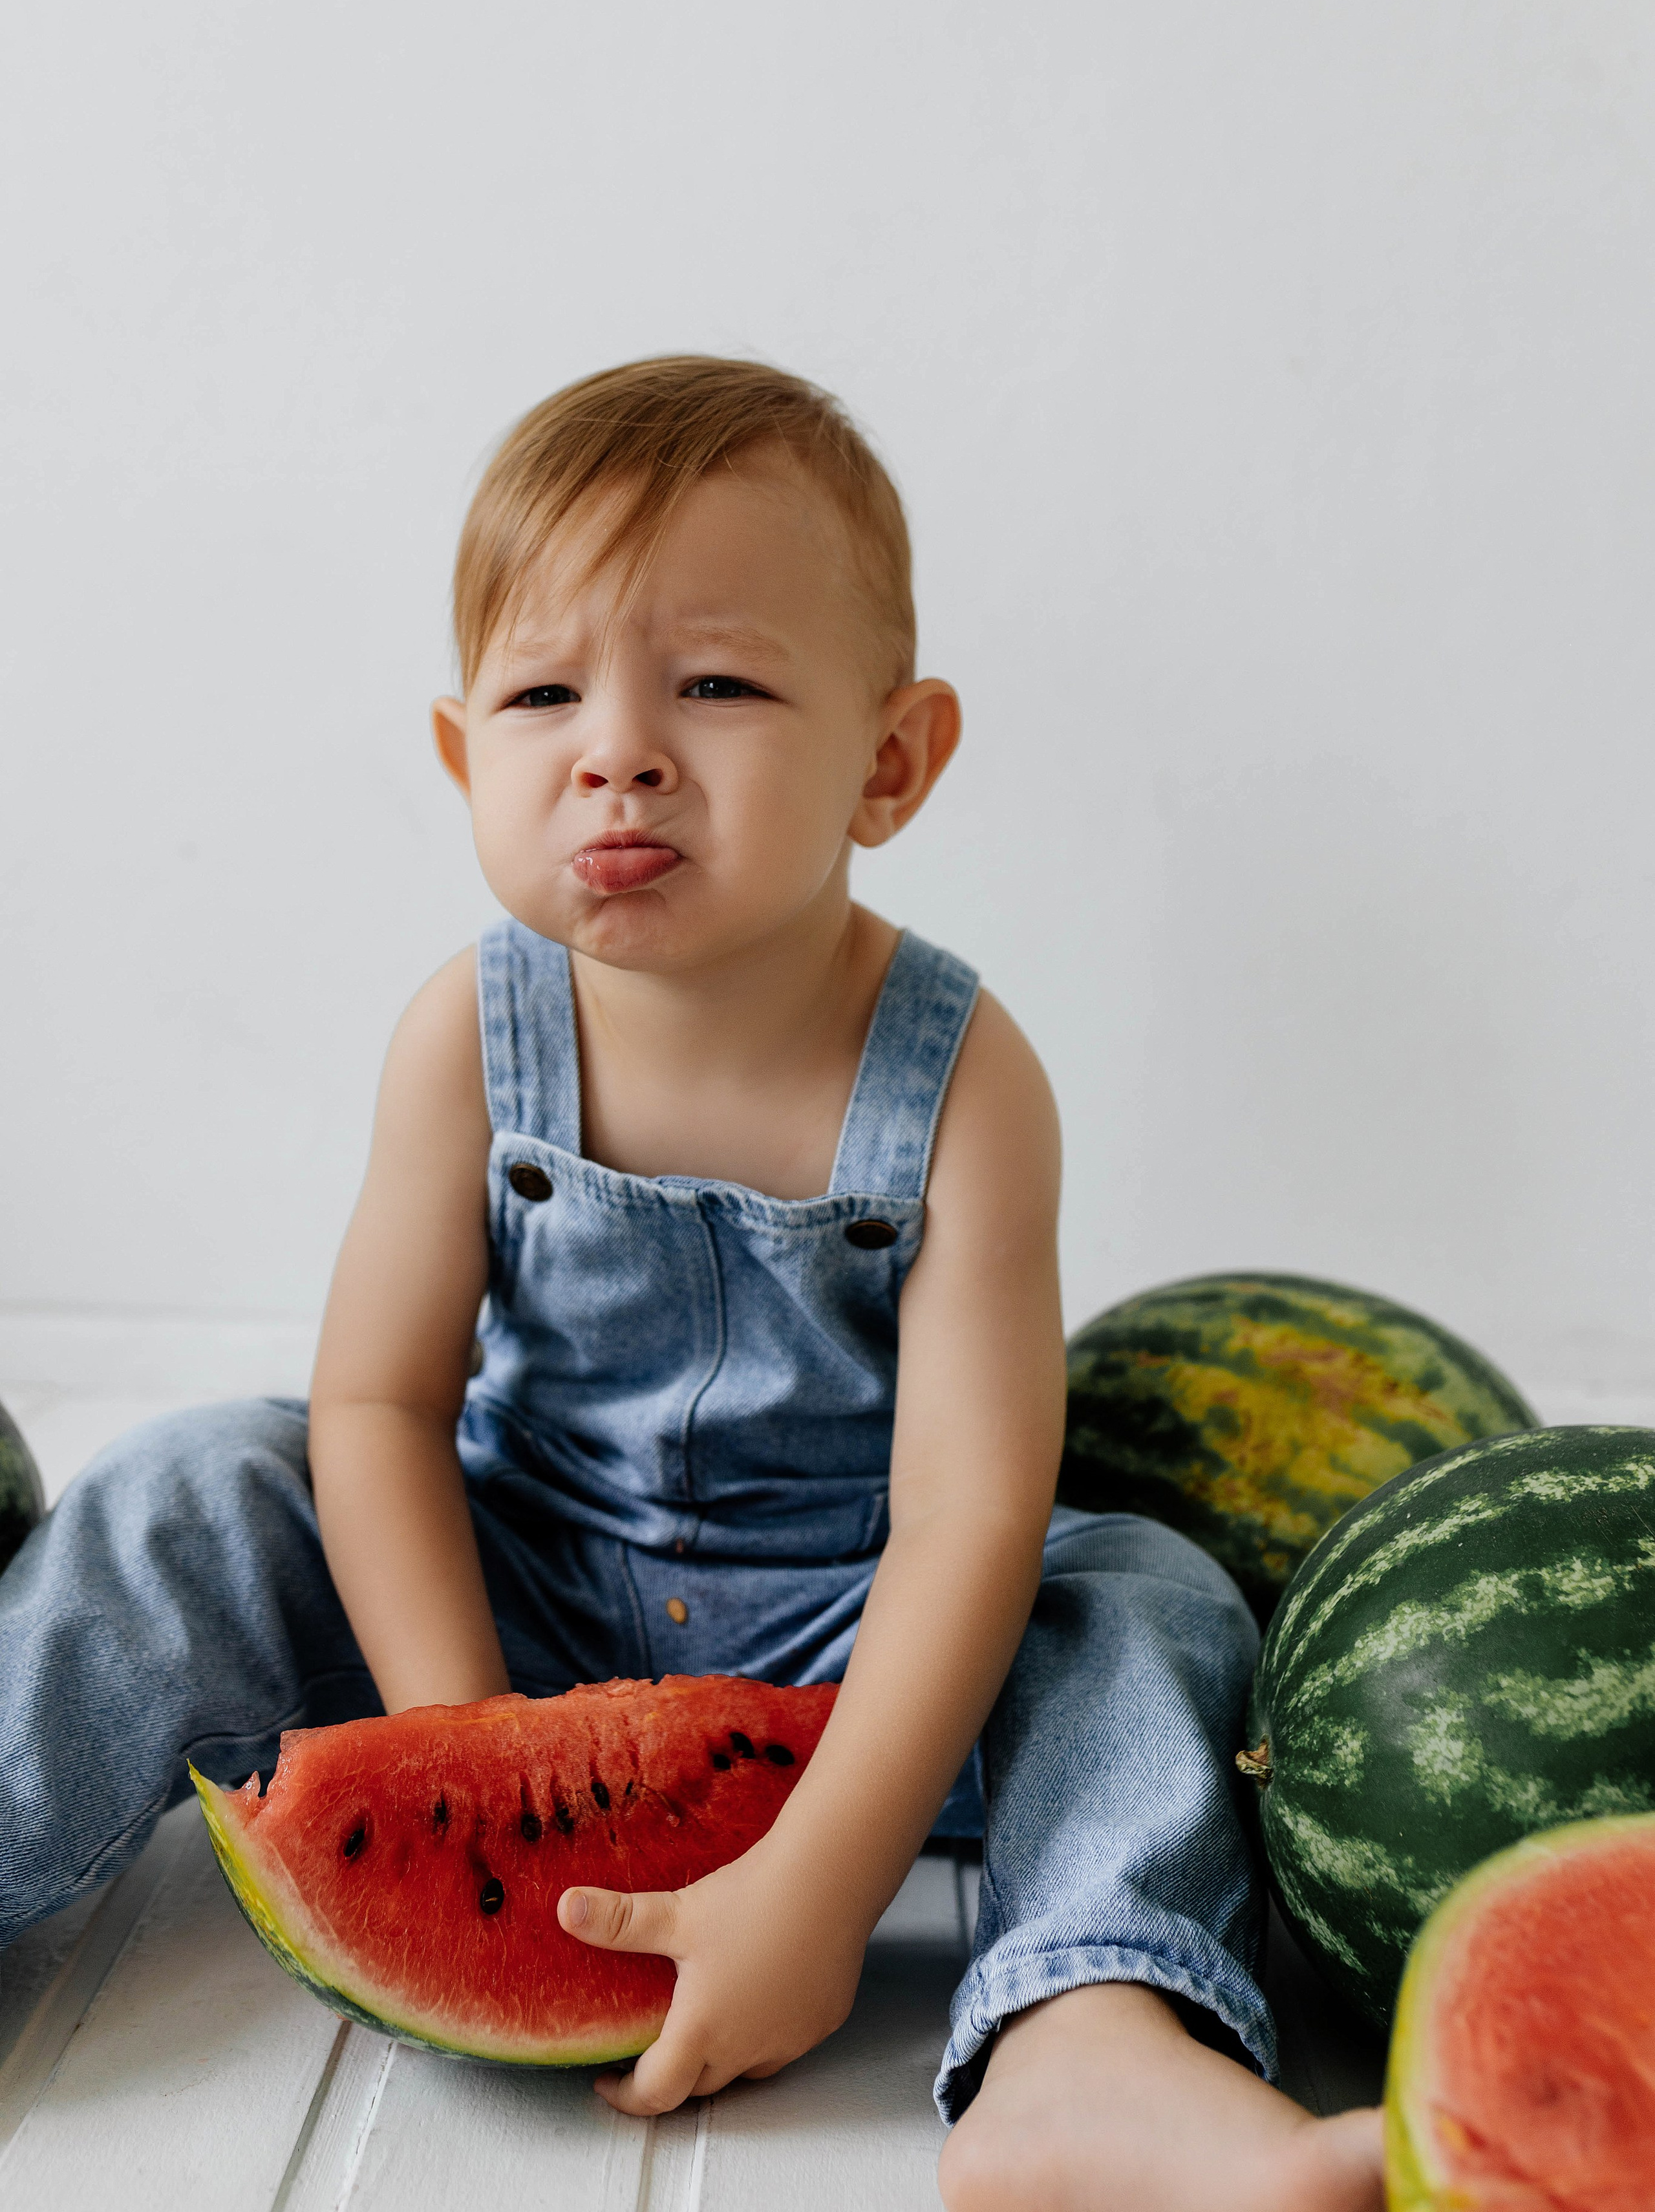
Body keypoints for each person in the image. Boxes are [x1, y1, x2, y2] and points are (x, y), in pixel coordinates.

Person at [0, 358, 1382, 2211]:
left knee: (1139, 1605)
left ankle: (1090, 2032)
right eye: (546, 693)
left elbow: (971, 1515)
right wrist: (463, 1745)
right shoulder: (465, 1041)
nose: (620, 750)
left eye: (716, 685)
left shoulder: (967, 1080)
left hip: (856, 1636)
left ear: (891, 761)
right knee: (192, 1488)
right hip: (514, 1575)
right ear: (461, 754)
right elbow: (380, 1408)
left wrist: (821, 1886)